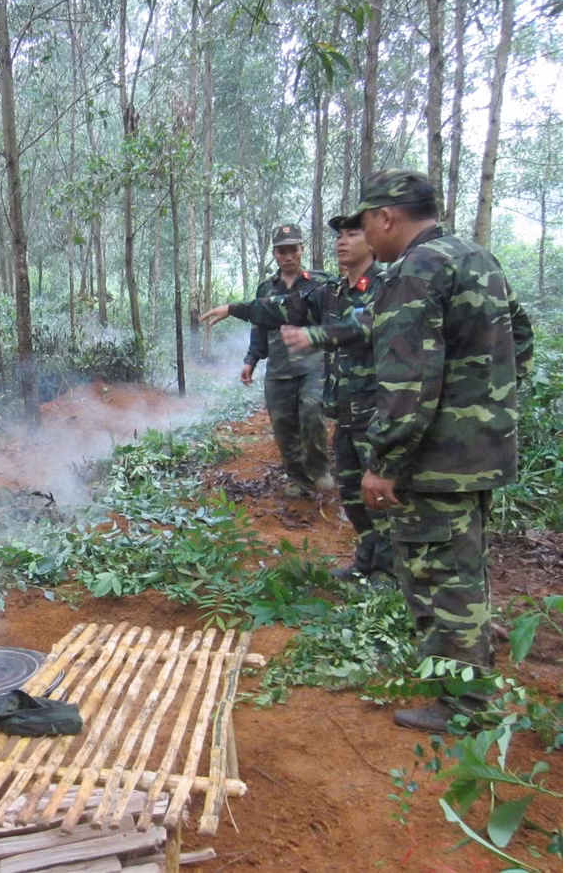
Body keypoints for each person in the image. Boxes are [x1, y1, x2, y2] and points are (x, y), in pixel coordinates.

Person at [352, 169, 533, 732]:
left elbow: (409, 381)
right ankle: (468, 685)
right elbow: (520, 338)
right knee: (464, 575)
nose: (365, 234)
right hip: (478, 456)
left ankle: (462, 707)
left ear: (387, 217)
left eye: (365, 222)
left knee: (439, 584)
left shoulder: (417, 269)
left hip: (434, 466)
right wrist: (484, 408)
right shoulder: (477, 258)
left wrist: (384, 463)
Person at [202, 216, 393, 585]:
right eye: (338, 235)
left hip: (378, 410)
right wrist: (235, 309)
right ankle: (367, 562)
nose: (341, 242)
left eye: (353, 234)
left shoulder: (387, 286)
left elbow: (365, 327)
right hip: (348, 408)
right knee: (353, 493)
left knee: (381, 494)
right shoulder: (332, 293)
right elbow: (283, 310)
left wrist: (316, 336)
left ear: (373, 243)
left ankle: (391, 571)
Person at [237, 225, 334, 496]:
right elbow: (259, 326)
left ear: (302, 250)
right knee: (283, 424)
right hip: (279, 367)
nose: (288, 255)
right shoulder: (266, 288)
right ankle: (298, 478)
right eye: (282, 251)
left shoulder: (320, 283)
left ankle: (319, 469)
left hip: (313, 364)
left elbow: (334, 322)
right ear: (275, 254)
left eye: (293, 249)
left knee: (312, 409)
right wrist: (251, 360)